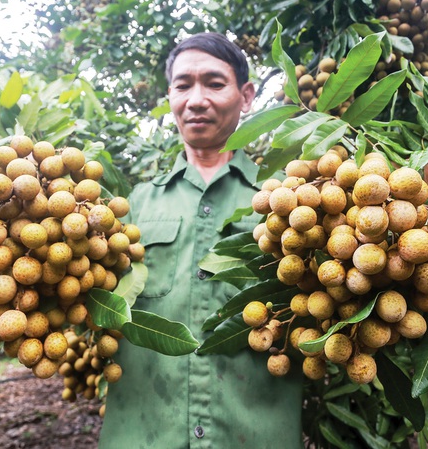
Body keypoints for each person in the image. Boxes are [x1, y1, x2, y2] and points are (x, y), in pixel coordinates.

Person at [98, 32, 304, 448]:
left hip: (257, 433)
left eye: (213, 83)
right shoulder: (130, 206)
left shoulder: (291, 201)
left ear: (246, 96)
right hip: (142, 433)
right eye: (182, 85)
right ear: (170, 96)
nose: (195, 99)